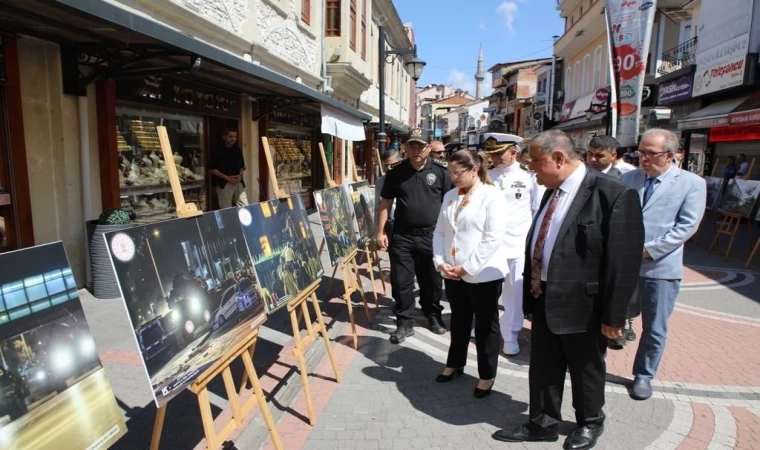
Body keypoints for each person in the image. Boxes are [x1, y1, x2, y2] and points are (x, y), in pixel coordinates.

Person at [493, 130, 644, 450]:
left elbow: (624, 262)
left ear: (559, 158)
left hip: (586, 306)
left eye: (535, 161)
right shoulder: (553, 190)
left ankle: (590, 422)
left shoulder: (612, 194)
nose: (530, 167)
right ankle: (542, 422)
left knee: (585, 368)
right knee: (544, 366)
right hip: (544, 295)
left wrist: (615, 316)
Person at [621, 129, 706, 401]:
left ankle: (644, 375)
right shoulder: (628, 179)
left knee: (655, 327)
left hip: (660, 267)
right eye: (640, 152)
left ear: (670, 155)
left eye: (650, 153)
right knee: (609, 315)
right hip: (623, 265)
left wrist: (649, 251)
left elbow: (687, 226)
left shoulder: (691, 183)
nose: (642, 158)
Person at [432, 150, 508, 397]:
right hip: (452, 272)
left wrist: (467, 267)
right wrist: (440, 261)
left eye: (457, 172)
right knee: (460, 320)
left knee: (486, 326)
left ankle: (487, 374)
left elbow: (492, 237)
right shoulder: (450, 196)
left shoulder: (492, 196)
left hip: (482, 273)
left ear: (474, 170)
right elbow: (440, 232)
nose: (452, 177)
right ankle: (455, 362)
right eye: (450, 172)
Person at [378, 128, 454, 343]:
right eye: (411, 145)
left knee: (431, 280)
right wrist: (380, 231)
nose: (416, 150)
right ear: (404, 148)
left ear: (429, 147)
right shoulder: (395, 172)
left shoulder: (442, 171)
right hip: (402, 236)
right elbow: (385, 203)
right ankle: (404, 322)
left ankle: (433, 315)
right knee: (401, 281)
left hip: (432, 236)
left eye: (420, 146)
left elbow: (451, 203)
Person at [484, 137, 541, 356]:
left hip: (516, 243)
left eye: (500, 153)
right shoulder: (487, 175)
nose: (495, 158)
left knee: (514, 293)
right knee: (486, 291)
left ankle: (511, 334)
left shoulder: (528, 177)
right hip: (489, 245)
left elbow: (536, 211)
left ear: (513, 152)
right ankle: (485, 325)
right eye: (492, 154)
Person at [210, 128, 248, 208]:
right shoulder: (217, 150)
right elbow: (212, 169)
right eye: (230, 136)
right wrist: (227, 178)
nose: (233, 139)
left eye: (235, 137)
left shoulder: (237, 149)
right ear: (224, 137)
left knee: (245, 207)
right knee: (226, 209)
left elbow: (242, 166)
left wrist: (240, 175)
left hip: (238, 182)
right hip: (224, 184)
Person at [375, 148, 404, 242]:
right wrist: (379, 231)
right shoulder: (381, 181)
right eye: (386, 166)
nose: (389, 168)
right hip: (391, 225)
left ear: (401, 161)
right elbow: (378, 207)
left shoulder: (410, 178)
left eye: (392, 165)